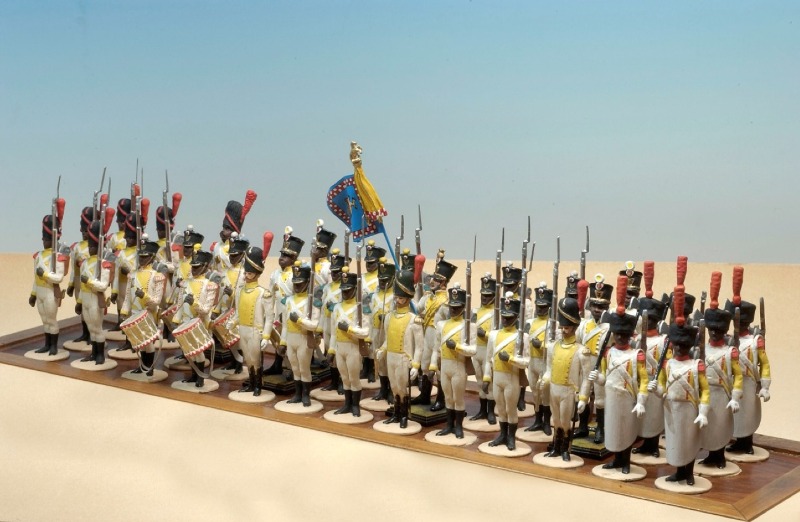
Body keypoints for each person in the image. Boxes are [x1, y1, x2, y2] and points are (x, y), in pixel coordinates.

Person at [648, 286, 710, 486]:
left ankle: (688, 473)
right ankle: (678, 472)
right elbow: (662, 385)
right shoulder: (667, 364)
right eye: (677, 345)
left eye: (684, 346)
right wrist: (656, 388)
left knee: (688, 441)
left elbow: (705, 390)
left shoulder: (697, 365)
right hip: (671, 407)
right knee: (675, 442)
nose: (680, 348)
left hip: (689, 407)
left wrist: (703, 412)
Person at [588, 276, 648, 474]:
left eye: (624, 335)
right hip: (612, 397)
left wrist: (641, 400)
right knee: (614, 430)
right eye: (618, 334)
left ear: (630, 335)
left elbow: (643, 380)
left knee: (627, 430)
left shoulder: (637, 355)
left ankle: (626, 461)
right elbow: (605, 376)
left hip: (628, 397)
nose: (621, 337)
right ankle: (616, 459)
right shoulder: (608, 353)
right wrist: (597, 378)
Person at [726, 266, 771, 455]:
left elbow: (764, 363)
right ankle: (738, 442)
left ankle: (747, 444)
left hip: (750, 381)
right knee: (735, 415)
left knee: (748, 414)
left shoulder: (755, 341)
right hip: (733, 382)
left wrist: (765, 386)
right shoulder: (729, 340)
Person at [700, 271, 743, 468]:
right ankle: (711, 455)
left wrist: (735, 397)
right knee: (707, 427)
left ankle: (719, 456)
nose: (714, 333)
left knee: (720, 426)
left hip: (722, 393)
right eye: (712, 330)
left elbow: (738, 376)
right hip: (705, 393)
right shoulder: (701, 349)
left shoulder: (730, 352)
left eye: (718, 330)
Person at [540, 297, 590, 461]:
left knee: (566, 421)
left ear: (574, 327)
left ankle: (565, 449)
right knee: (556, 420)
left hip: (568, 391)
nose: (563, 330)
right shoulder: (553, 346)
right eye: (562, 327)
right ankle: (556, 447)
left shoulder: (581, 351)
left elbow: (587, 378)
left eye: (567, 327)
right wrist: (545, 379)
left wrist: (583, 398)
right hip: (554, 389)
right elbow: (549, 369)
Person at [376, 269, 424, 429]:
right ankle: (395, 414)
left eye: (401, 297)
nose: (397, 300)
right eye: (396, 297)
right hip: (391, 357)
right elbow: (387, 339)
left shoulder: (414, 320)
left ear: (408, 298)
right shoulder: (389, 317)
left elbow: (420, 346)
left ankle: (404, 416)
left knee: (402, 389)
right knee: (394, 387)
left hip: (404, 359)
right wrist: (382, 350)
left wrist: (416, 365)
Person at [482, 293, 530, 451]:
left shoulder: (522, 337)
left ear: (516, 317)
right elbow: (489, 359)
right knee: (501, 409)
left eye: (509, 318)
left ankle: (511, 438)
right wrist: (486, 378)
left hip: (511, 378)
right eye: (504, 317)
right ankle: (502, 435)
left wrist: (510, 359)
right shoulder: (494, 335)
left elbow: (526, 362)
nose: (505, 320)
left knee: (511, 409)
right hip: (497, 378)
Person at [429, 285, 476, 438]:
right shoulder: (441, 325)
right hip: (444, 367)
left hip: (458, 366)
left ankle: (459, 427)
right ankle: (449, 426)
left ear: (463, 307)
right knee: (448, 398)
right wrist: (433, 366)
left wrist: (457, 347)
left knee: (458, 398)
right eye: (451, 307)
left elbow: (473, 350)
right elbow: (436, 348)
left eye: (457, 307)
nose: (453, 310)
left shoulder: (469, 326)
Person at [412, 250, 456, 410]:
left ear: (443, 283)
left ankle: (441, 399)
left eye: (436, 279)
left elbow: (451, 322)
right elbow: (418, 308)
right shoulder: (428, 297)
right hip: (426, 336)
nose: (432, 281)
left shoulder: (446, 302)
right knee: (425, 366)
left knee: (438, 369)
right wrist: (415, 294)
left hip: (439, 338)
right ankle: (424, 395)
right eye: (432, 278)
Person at [631, 287, 669, 458]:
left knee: (653, 415)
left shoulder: (663, 341)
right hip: (638, 381)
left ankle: (653, 445)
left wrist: (661, 383)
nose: (647, 322)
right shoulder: (636, 339)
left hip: (654, 380)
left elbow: (666, 363)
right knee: (642, 416)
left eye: (651, 319)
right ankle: (644, 443)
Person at [173, 249, 219, 387]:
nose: (193, 269)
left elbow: (205, 310)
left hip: (200, 323)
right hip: (186, 322)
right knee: (189, 351)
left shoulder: (210, 286)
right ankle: (193, 376)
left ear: (205, 266)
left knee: (198, 352)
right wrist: (176, 319)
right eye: (193, 267)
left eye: (197, 267)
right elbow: (180, 304)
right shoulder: (185, 283)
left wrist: (194, 303)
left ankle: (200, 378)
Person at [234, 243, 275, 397]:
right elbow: (239, 311)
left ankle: (258, 385)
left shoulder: (263, 293)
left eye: (249, 273)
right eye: (246, 272)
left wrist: (266, 336)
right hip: (243, 329)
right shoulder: (240, 291)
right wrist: (233, 322)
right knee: (248, 359)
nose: (246, 276)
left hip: (255, 331)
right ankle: (250, 384)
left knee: (256, 360)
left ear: (257, 274)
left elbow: (269, 318)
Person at [120, 238, 166, 376]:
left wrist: (144, 296)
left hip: (148, 313)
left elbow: (156, 300)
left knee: (148, 342)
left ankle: (149, 367)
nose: (141, 259)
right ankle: (142, 366)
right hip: (135, 312)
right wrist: (124, 311)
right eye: (140, 256)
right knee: (139, 341)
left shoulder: (157, 276)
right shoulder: (132, 275)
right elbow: (128, 295)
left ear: (152, 257)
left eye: (145, 257)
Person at [576, 273, 612, 442]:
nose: (597, 309)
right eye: (595, 305)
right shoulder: (583, 325)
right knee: (583, 395)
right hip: (585, 364)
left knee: (600, 399)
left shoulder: (610, 327)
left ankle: (600, 429)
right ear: (590, 306)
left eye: (601, 306)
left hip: (601, 366)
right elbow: (577, 343)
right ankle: (582, 426)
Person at [330, 268, 370, 416]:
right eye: (343, 290)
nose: (345, 293)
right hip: (340, 347)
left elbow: (365, 332)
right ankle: (347, 404)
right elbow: (333, 332)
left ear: (355, 289)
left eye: (348, 290)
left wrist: (348, 329)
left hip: (353, 347)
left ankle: (355, 406)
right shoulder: (337, 308)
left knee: (354, 378)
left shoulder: (360, 308)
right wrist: (331, 350)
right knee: (345, 378)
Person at [281, 261, 320, 407]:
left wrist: (299, 321)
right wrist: (283, 342)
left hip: (304, 338)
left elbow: (314, 324)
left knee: (304, 368)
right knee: (295, 368)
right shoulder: (289, 301)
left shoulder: (312, 302)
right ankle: (297, 394)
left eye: (300, 283)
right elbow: (285, 324)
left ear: (307, 282)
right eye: (295, 283)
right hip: (291, 338)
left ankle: (305, 395)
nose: (297, 286)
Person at [265, 231, 304, 376]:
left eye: (286, 256)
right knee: (279, 339)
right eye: (281, 254)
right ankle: (277, 365)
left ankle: (296, 370)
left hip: (293, 315)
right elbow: (270, 294)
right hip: (279, 313)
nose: (281, 258)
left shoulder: (296, 275)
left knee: (293, 342)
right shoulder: (275, 274)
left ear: (294, 258)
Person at [30, 213, 69, 356]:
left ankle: (53, 346)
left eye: (46, 239)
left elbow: (58, 278)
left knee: (51, 320)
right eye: (43, 238)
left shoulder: (57, 256)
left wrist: (45, 274)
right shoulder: (39, 256)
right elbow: (36, 278)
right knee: (44, 320)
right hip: (40, 291)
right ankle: (47, 344)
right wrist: (33, 294)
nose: (43, 241)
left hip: (50, 292)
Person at [211, 234, 250, 373]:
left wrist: (232, 294)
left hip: (238, 312)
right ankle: (233, 362)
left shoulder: (245, 273)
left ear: (242, 255)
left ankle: (239, 363)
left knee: (237, 339)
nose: (232, 258)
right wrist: (217, 310)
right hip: (225, 310)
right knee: (228, 338)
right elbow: (221, 292)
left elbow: (246, 295)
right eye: (231, 255)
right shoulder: (224, 272)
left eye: (235, 255)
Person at [78, 219, 114, 365]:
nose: (90, 249)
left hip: (95, 299)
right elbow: (82, 286)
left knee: (97, 329)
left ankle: (100, 355)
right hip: (86, 298)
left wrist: (89, 281)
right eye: (89, 246)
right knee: (91, 328)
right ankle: (93, 353)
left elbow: (103, 286)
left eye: (93, 246)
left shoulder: (104, 264)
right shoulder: (85, 263)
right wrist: (79, 301)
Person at [525, 282, 553, 434]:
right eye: (538, 306)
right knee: (535, 392)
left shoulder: (553, 324)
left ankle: (547, 422)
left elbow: (555, 346)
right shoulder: (530, 323)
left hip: (544, 362)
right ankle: (537, 420)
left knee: (545, 393)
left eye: (544, 307)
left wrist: (541, 345)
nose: (540, 309)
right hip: (532, 362)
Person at [469, 273, 498, 424]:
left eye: (488, 295)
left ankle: (491, 411)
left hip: (488, 350)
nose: (484, 298)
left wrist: (485, 334)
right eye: (483, 295)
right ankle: (482, 410)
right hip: (476, 351)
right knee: (480, 381)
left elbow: (497, 335)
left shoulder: (496, 314)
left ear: (494, 296)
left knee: (490, 382)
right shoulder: (475, 311)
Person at [319, 248, 348, 393]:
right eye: (332, 272)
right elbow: (322, 307)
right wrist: (320, 327)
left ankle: (342, 382)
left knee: (339, 355)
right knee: (329, 353)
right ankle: (333, 381)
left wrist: (335, 306)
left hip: (339, 326)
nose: (334, 275)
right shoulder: (327, 287)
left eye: (337, 272)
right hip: (327, 324)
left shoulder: (346, 288)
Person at [211, 190, 257, 273]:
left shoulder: (242, 248)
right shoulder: (217, 247)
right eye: (223, 227)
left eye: (228, 229)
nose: (224, 231)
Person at [370, 257, 395, 403]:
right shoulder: (374, 296)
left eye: (385, 280)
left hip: (388, 333)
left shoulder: (395, 297)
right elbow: (369, 316)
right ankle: (383, 389)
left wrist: (387, 318)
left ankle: (391, 390)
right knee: (379, 361)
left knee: (388, 361)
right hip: (375, 331)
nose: (382, 282)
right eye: (380, 279)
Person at [359, 239, 385, 382]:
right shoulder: (361, 277)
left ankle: (373, 370)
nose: (369, 265)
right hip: (363, 313)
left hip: (375, 314)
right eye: (367, 263)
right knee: (364, 339)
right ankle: (365, 367)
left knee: (374, 341)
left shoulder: (381, 278)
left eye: (372, 263)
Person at [67, 207, 93, 344]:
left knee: (91, 309)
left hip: (90, 283)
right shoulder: (76, 247)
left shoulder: (96, 247)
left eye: (86, 231)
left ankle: (92, 334)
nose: (84, 234)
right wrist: (71, 284)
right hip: (78, 282)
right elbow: (73, 268)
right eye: (83, 231)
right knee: (81, 308)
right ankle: (85, 333)